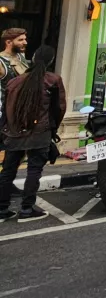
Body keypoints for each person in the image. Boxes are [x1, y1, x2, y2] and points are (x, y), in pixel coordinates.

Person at [0, 45, 64, 222]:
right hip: (40, 133)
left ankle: (2, 209)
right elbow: (59, 108)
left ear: (33, 58)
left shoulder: (14, 82)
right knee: (34, 171)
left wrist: (5, 129)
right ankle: (27, 209)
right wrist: (53, 128)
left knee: (8, 171)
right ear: (51, 61)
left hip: (13, 134)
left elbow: (5, 109)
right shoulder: (53, 80)